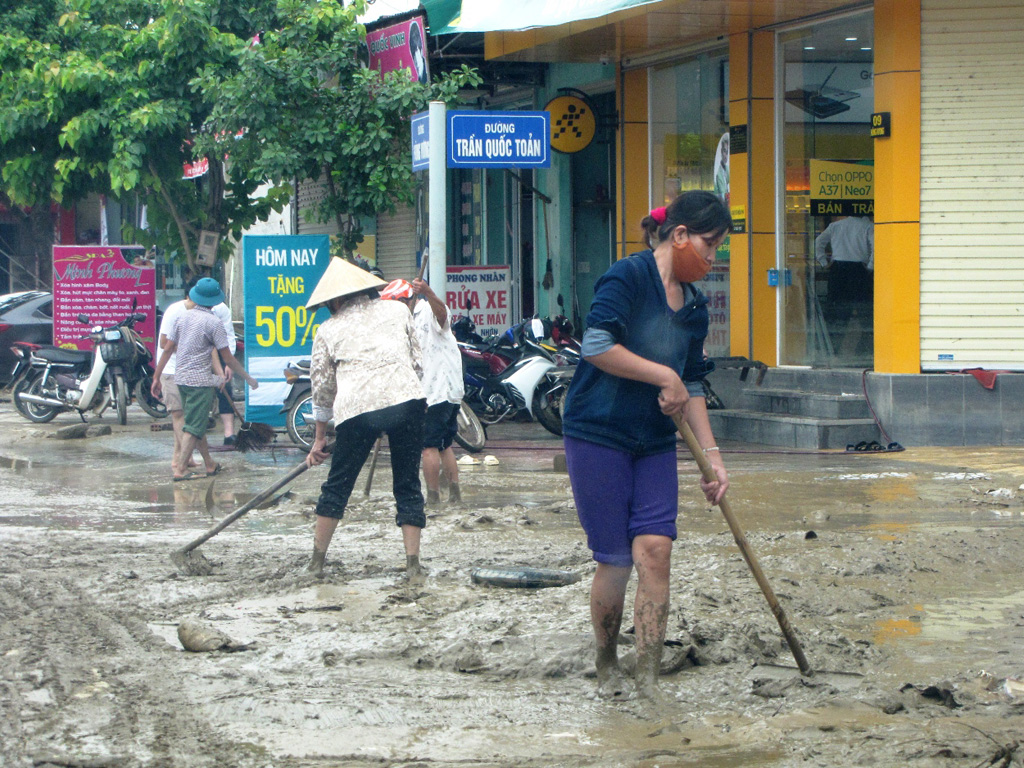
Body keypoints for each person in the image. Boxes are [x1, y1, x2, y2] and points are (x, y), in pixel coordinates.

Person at [561, 189, 732, 702]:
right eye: (709, 244)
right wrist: (663, 375)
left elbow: (694, 383)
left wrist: (714, 459)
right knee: (616, 558)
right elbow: (596, 346)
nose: (712, 257)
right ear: (679, 235)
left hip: (657, 440)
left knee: (655, 551)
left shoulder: (695, 307)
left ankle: (650, 675)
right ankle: (608, 661)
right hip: (599, 433)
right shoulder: (627, 277)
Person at [303, 258, 428, 580]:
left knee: (337, 487)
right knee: (408, 483)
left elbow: (322, 389)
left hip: (357, 411)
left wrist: (319, 438)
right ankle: (413, 564)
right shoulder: (399, 310)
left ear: (334, 299)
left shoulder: (328, 329)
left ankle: (316, 563)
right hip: (408, 401)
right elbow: (417, 363)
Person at [151, 277, 258, 481]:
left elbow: (166, 350)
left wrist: (156, 377)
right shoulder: (214, 323)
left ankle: (209, 464)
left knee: (194, 423)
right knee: (193, 426)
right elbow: (227, 357)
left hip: (181, 378)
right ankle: (180, 469)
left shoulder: (182, 318)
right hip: (200, 382)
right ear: (214, 301)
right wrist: (247, 378)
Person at [381, 277, 465, 505]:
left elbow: (443, 315)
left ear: (405, 301)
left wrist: (428, 291)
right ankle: (455, 496)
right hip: (437, 390)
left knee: (428, 446)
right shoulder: (402, 322)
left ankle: (433, 498)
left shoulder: (427, 310)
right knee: (445, 444)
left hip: (437, 390)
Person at [211, 300, 237, 447]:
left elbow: (229, 335)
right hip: (198, 355)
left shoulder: (220, 308)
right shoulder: (188, 309)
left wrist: (229, 362)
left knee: (224, 389)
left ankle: (229, 434)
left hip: (220, 353)